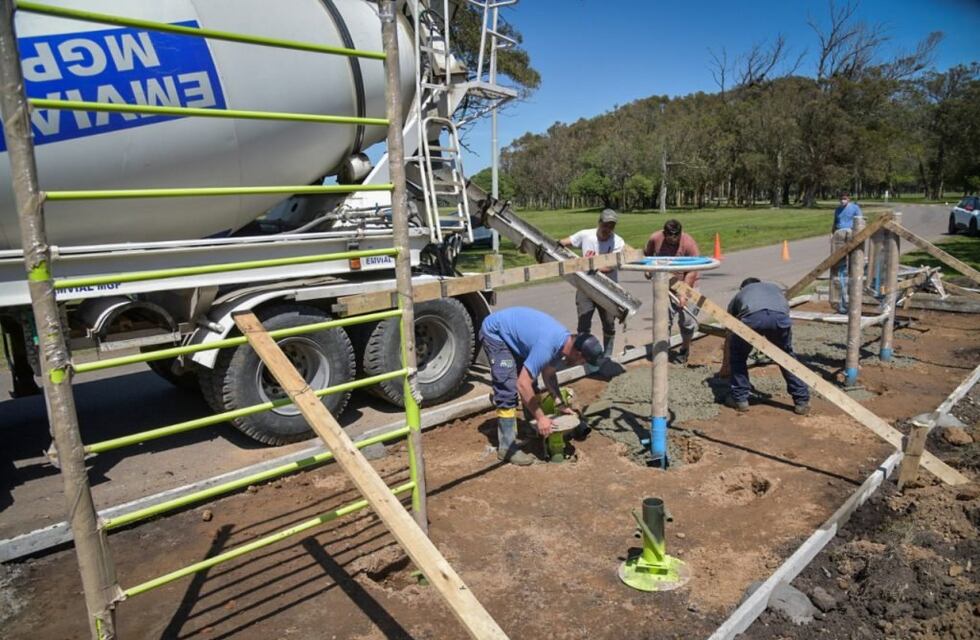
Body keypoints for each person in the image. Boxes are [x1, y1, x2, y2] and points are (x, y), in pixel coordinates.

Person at [480, 307, 605, 465]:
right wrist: (541, 417)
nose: (582, 364)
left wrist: (560, 403)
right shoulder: (547, 346)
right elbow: (522, 384)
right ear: (578, 354)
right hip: (496, 333)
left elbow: (549, 374)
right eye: (584, 362)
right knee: (509, 388)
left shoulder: (563, 344)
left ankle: (533, 429)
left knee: (531, 382)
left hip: (515, 336)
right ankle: (507, 448)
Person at [724, 278, 810, 415]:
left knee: (738, 356)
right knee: (786, 357)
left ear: (743, 288)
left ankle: (740, 399)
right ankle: (801, 401)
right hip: (780, 319)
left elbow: (730, 322)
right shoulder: (774, 288)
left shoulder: (741, 293)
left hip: (752, 319)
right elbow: (783, 310)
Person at [559, 208, 626, 368]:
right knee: (583, 324)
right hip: (585, 288)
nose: (608, 229)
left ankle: (607, 356)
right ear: (599, 223)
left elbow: (609, 267)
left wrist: (588, 265)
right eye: (605, 225)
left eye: (611, 226)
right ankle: (585, 356)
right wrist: (560, 249)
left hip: (607, 290)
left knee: (609, 323)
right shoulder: (585, 235)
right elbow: (563, 242)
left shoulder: (618, 242)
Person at [643, 218, 700, 363]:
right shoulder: (655, 238)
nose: (673, 241)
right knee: (663, 319)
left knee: (687, 321)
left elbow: (693, 271)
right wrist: (648, 268)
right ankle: (662, 351)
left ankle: (684, 349)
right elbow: (647, 254)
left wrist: (683, 294)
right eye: (670, 239)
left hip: (687, 283)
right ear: (664, 234)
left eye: (676, 238)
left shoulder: (688, 243)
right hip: (664, 285)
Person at [830, 191, 863, 313]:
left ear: (848, 198)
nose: (842, 200)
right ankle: (840, 302)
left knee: (853, 265)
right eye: (841, 199)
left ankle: (851, 301)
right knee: (838, 266)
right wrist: (832, 233)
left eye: (844, 198)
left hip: (850, 234)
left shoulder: (855, 208)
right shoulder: (837, 210)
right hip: (839, 235)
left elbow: (860, 222)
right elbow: (835, 223)